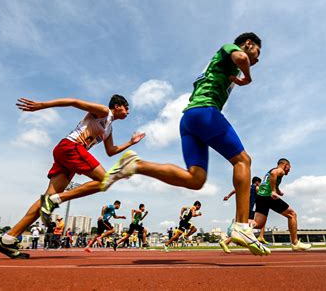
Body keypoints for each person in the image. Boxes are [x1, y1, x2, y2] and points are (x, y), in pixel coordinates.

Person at [102, 33, 269, 256]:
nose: (257, 60)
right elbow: (241, 58)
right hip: (204, 112)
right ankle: (241, 225)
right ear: (248, 44)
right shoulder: (230, 49)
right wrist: (247, 76)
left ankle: (137, 165)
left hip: (189, 120)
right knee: (243, 160)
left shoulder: (222, 66)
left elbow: (237, 62)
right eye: (257, 53)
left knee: (196, 179)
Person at [0, 95, 144, 259]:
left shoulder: (109, 129)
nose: (128, 112)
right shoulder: (103, 112)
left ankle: (8, 238)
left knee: (45, 201)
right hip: (71, 147)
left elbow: (111, 151)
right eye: (126, 108)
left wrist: (131, 142)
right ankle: (57, 199)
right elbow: (74, 102)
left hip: (69, 154)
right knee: (105, 180)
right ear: (117, 106)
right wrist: (42, 105)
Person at [254, 158, 311, 251]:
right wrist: (273, 191)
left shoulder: (271, 171)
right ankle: (295, 243)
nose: (289, 170)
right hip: (268, 197)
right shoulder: (280, 170)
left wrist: (278, 190)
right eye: (289, 167)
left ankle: (239, 226)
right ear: (286, 165)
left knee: (258, 224)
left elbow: (272, 179)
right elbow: (274, 174)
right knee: (292, 214)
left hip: (260, 197)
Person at [220, 176, 267, 253]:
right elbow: (264, 195)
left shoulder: (246, 187)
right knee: (257, 224)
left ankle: (228, 242)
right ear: (257, 182)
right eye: (260, 183)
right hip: (249, 210)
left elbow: (235, 190)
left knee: (244, 228)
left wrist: (228, 196)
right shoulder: (256, 188)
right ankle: (259, 238)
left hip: (242, 209)